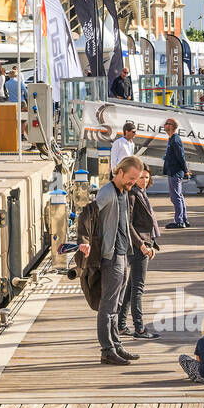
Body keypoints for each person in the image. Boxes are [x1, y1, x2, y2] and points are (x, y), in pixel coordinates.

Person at [77, 156, 144, 365]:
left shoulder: (124, 192)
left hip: (123, 254)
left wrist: (140, 244)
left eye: (136, 179)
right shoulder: (108, 192)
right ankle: (107, 350)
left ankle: (116, 345)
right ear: (120, 172)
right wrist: (84, 241)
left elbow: (125, 223)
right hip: (111, 255)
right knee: (108, 305)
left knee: (116, 303)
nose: (133, 182)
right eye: (131, 178)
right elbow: (85, 215)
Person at [118, 163, 160, 340]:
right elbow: (128, 224)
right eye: (141, 177)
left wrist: (153, 243)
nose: (144, 181)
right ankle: (140, 328)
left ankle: (120, 325)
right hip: (138, 247)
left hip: (145, 243)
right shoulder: (132, 195)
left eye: (147, 177)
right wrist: (142, 245)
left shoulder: (141, 193)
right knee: (138, 288)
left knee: (131, 286)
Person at [162, 118, 191, 228]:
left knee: (175, 197)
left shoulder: (175, 140)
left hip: (175, 172)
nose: (164, 125)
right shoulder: (171, 139)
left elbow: (181, 157)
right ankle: (183, 219)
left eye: (166, 124)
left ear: (171, 126)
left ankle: (179, 221)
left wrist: (186, 170)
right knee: (179, 196)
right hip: (172, 171)